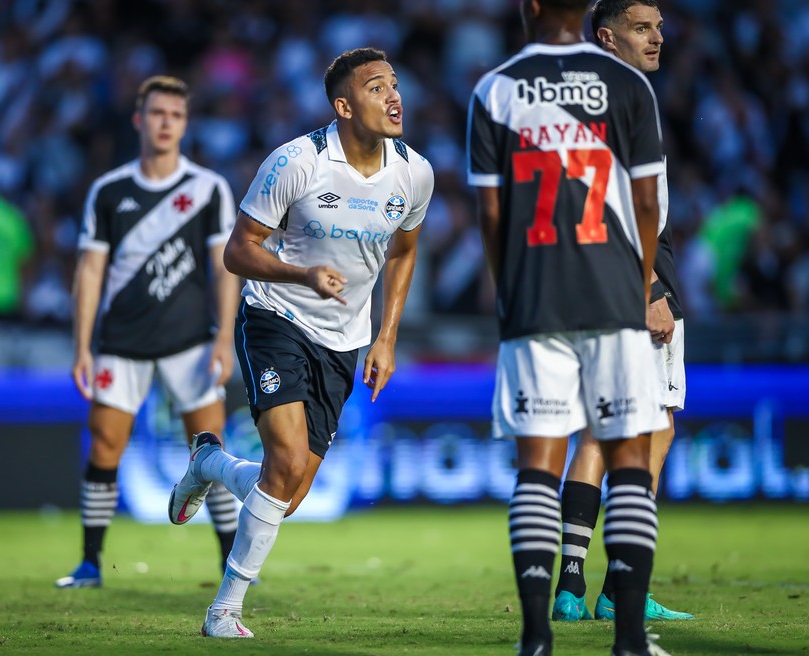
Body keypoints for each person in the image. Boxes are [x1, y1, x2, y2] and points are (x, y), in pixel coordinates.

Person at [167, 47, 434, 638]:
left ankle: (208, 462)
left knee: (286, 492)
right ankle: (224, 611)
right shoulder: (297, 162)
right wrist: (301, 274)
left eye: (394, 84)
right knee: (285, 462)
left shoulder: (414, 172)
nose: (393, 97)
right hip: (277, 316)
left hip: (345, 341)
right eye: (375, 88)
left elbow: (406, 250)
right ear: (343, 105)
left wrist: (385, 338)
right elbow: (239, 251)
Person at [467, 1, 672, 655]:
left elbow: (492, 215)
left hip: (536, 303)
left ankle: (535, 635)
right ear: (586, 10)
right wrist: (638, 289)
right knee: (631, 461)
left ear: (528, 7)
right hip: (614, 300)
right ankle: (631, 637)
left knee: (538, 466)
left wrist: (510, 293)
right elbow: (646, 204)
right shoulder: (625, 84)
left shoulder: (494, 89)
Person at [55, 75, 243, 588]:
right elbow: (90, 272)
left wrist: (225, 337)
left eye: (176, 116)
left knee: (211, 452)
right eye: (158, 114)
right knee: (104, 445)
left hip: (190, 342)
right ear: (140, 120)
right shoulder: (109, 191)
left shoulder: (207, 188)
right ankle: (91, 563)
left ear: (185, 124)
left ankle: (231, 564)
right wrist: (83, 346)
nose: (166, 123)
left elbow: (223, 267)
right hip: (122, 342)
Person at [551, 0, 693, 625]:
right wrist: (647, 292)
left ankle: (573, 587)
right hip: (636, 280)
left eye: (659, 27)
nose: (657, 37)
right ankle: (618, 588)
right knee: (654, 429)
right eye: (643, 28)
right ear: (609, 37)